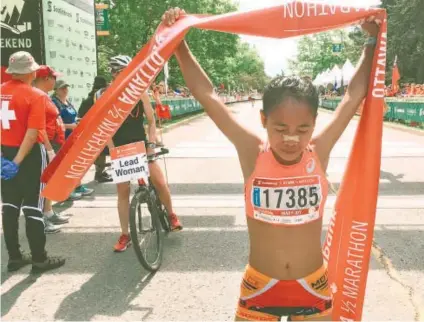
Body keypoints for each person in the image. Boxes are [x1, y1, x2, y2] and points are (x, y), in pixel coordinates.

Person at [165, 8, 380, 321]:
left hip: (313, 285)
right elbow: (207, 95)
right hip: (259, 287)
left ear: (314, 123)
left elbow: (353, 96)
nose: (292, 139)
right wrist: (180, 42)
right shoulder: (252, 151)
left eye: (302, 129)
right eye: (280, 129)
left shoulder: (318, 150)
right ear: (264, 120)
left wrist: (371, 44)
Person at [98, 55, 183, 252]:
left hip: (141, 145)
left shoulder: (140, 92)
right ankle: (125, 234)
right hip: (120, 148)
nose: (120, 75)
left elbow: (151, 122)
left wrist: (151, 145)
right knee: (123, 193)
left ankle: (171, 214)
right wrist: (112, 150)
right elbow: (105, 127)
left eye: (123, 71)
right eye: (116, 72)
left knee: (159, 182)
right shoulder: (106, 95)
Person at [1, 51, 65, 272]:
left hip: (4, 155)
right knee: (32, 208)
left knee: (9, 208)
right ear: (30, 72)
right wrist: (18, 161)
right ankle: (40, 259)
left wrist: (4, 158)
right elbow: (31, 133)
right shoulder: (36, 95)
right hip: (28, 158)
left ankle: (15, 258)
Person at [32, 65, 71, 234]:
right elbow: (38, 126)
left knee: (50, 180)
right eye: (54, 77)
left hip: (53, 142)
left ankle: (48, 211)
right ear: (46, 79)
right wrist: (48, 148)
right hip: (44, 144)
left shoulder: (45, 96)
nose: (56, 81)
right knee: (41, 182)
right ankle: (41, 219)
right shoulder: (37, 96)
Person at [51, 80, 94, 198]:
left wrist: (79, 122)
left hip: (73, 138)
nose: (65, 90)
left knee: (75, 163)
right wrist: (71, 126)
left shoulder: (67, 102)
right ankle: (66, 191)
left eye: (66, 87)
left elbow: (73, 117)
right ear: (56, 90)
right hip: (61, 139)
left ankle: (78, 186)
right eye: (62, 88)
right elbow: (54, 124)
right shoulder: (54, 103)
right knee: (65, 166)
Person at [79, 76, 113, 183]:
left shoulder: (86, 100)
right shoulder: (101, 98)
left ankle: (100, 173)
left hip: (89, 130)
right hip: (100, 130)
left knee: (97, 153)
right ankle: (99, 174)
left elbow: (81, 116)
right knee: (101, 153)